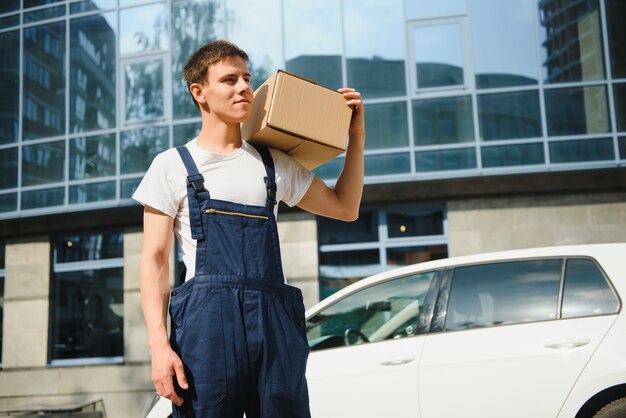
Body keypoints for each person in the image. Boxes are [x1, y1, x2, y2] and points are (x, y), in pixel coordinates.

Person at [133, 39, 365, 418]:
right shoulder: (172, 165)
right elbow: (155, 263)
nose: (243, 87)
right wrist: (160, 347)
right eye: (229, 80)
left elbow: (345, 207)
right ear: (199, 92)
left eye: (246, 77)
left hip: (273, 326)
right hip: (206, 330)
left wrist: (355, 139)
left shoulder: (274, 165)